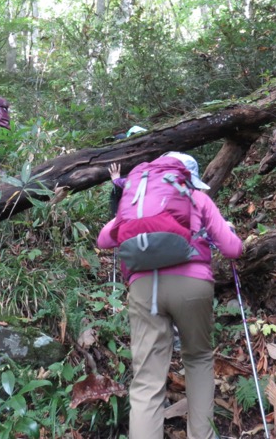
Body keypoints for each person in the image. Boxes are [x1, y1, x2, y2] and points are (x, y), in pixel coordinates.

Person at [98, 152, 243, 439]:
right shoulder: (197, 199)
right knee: (198, 358)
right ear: (188, 177)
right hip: (192, 286)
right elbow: (233, 249)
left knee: (147, 378)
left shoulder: (138, 202)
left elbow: (103, 240)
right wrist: (224, 232)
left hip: (142, 288)